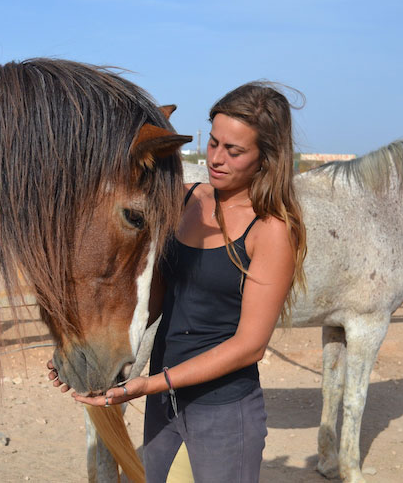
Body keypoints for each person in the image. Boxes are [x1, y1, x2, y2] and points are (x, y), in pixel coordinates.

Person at [49, 81, 307, 482]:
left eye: (234, 151)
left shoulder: (271, 230)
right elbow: (150, 298)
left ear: (266, 158)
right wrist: (84, 347)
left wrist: (152, 383)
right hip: (164, 406)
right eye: (214, 143)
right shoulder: (182, 199)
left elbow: (249, 346)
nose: (216, 159)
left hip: (223, 412)